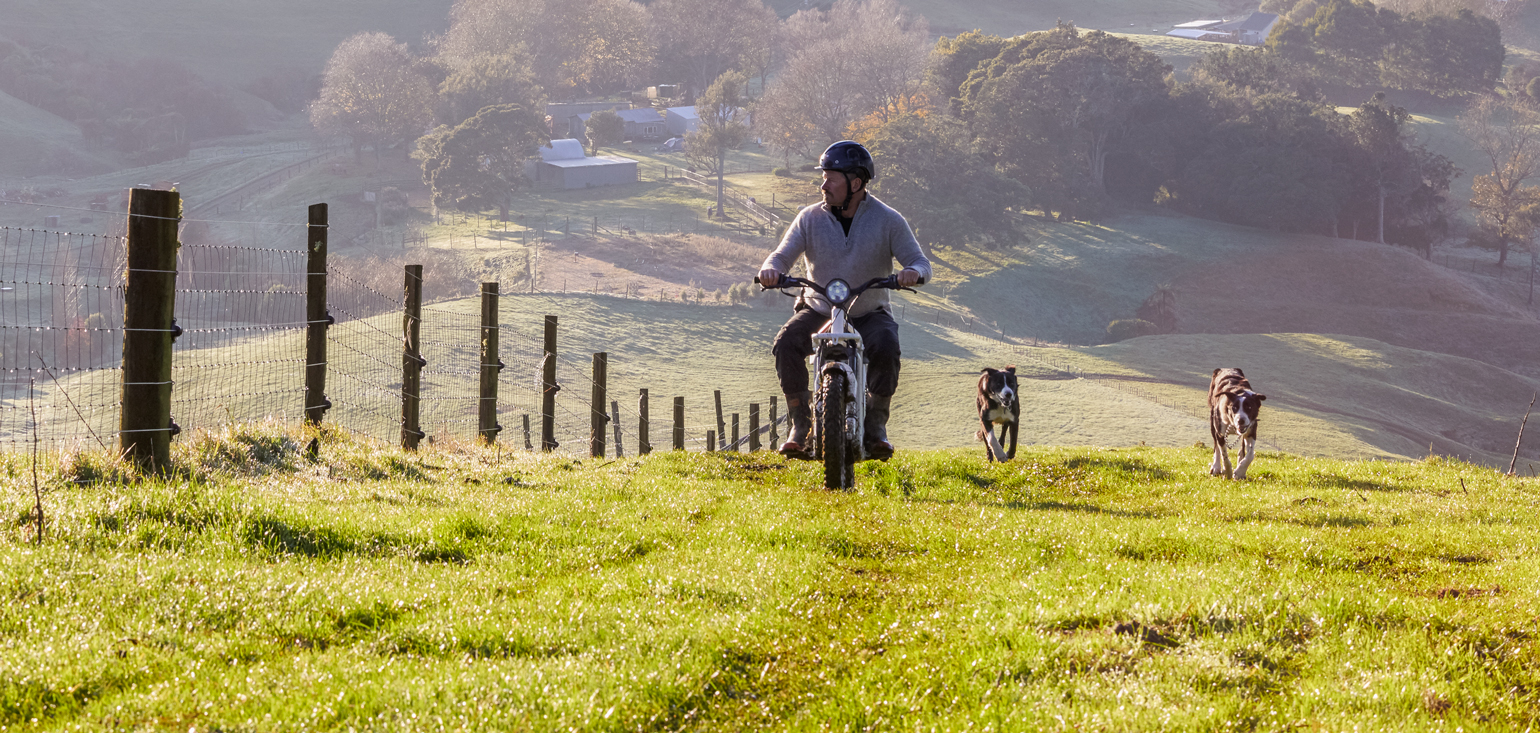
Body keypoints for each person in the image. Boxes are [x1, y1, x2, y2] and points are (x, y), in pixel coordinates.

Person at [757, 140, 930, 462]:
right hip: (818, 307)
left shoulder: (889, 220)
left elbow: (922, 263)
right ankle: (800, 425)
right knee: (786, 344)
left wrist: (912, 272)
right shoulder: (808, 218)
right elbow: (781, 256)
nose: (823, 185)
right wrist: (771, 270)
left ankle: (876, 426)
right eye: (823, 178)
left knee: (887, 347)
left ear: (856, 183)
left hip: (868, 310)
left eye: (831, 178)